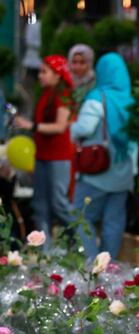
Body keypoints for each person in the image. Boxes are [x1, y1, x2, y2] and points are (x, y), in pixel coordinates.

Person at [70, 53, 138, 260]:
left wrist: (72, 128)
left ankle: (91, 265)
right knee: (114, 222)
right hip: (123, 173)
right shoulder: (131, 101)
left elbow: (84, 128)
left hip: (96, 172)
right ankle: (109, 268)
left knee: (81, 217)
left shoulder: (97, 98)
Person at [14, 55, 74, 243]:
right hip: (42, 156)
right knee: (40, 205)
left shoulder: (63, 95)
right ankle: (45, 252)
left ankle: (84, 245)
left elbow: (60, 126)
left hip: (58, 157)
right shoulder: (46, 94)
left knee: (60, 204)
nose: (40, 76)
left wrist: (31, 126)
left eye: (44, 72)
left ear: (58, 75)